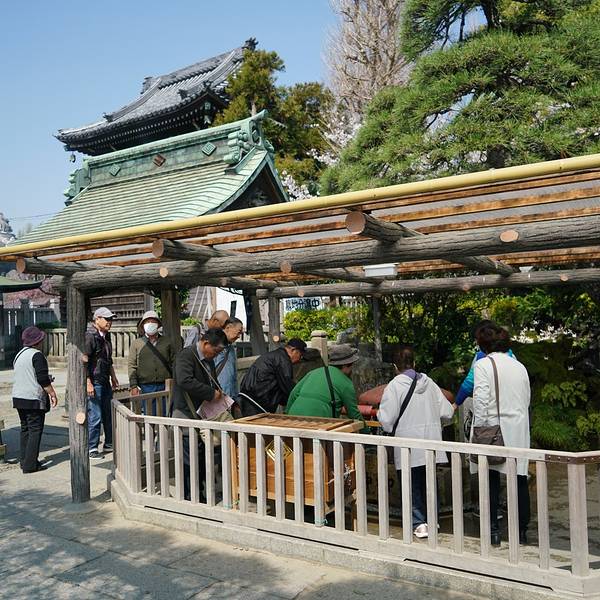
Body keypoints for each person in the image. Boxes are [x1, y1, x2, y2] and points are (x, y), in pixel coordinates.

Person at [378, 346, 455, 539]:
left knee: (410, 485)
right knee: (429, 483)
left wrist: (378, 414)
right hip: (431, 443)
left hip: (407, 445)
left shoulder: (394, 386)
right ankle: (433, 519)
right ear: (414, 363)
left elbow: (387, 420)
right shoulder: (430, 384)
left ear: (395, 366)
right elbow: (447, 412)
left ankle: (418, 523)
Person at [471, 325, 531, 546]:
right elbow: (526, 398)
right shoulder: (519, 366)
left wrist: (480, 431)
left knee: (491, 479)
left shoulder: (483, 365)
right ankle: (521, 532)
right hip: (519, 429)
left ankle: (493, 531)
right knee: (519, 479)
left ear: (482, 345)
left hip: (494, 430)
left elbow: (481, 402)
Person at [171, 328, 228, 501]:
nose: (216, 355)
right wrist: (211, 394)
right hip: (186, 413)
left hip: (203, 414)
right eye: (216, 351)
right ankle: (190, 496)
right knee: (190, 459)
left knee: (202, 457)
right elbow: (184, 380)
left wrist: (220, 393)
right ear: (206, 343)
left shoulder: (208, 359)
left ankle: (200, 492)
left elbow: (213, 381)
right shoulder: (186, 356)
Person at [286, 344, 368, 432]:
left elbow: (293, 394)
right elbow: (353, 414)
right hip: (318, 423)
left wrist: (286, 414)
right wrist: (367, 432)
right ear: (346, 365)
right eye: (352, 365)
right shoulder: (346, 383)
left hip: (292, 418)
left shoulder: (313, 372)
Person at [12, 326, 58, 473]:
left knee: (25, 429)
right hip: (32, 397)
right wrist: (52, 393)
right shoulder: (37, 355)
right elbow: (42, 379)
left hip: (18, 396)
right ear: (37, 341)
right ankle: (30, 465)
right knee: (35, 430)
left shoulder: (19, 354)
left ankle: (24, 461)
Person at [454, 320, 515, 407]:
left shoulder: (480, 358)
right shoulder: (511, 356)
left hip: (491, 408)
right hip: (512, 405)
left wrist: (456, 404)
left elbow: (469, 383)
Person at [239, 339, 307, 416]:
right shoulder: (283, 360)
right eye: (300, 355)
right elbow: (289, 387)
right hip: (256, 403)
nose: (299, 359)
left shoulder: (274, 355)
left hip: (246, 398)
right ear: (293, 350)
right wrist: (301, 400)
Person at [85, 307, 119, 460]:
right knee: (95, 415)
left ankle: (108, 443)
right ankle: (92, 447)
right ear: (97, 319)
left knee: (107, 413)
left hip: (105, 379)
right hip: (95, 380)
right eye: (107, 319)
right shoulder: (90, 336)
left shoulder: (106, 336)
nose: (109, 322)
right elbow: (84, 361)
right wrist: (88, 382)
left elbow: (108, 359)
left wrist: (113, 376)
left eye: (111, 319)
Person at [128, 310, 175, 415]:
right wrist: (133, 386)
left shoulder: (167, 342)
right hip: (146, 385)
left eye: (153, 321)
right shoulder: (136, 344)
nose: (150, 324)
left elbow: (174, 362)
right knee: (149, 413)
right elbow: (132, 366)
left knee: (165, 413)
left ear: (158, 324)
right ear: (143, 325)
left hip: (165, 384)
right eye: (147, 322)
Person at [214, 317, 244, 399]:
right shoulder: (214, 344)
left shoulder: (231, 348)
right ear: (228, 327)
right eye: (238, 332)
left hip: (231, 395)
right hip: (217, 394)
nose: (239, 336)